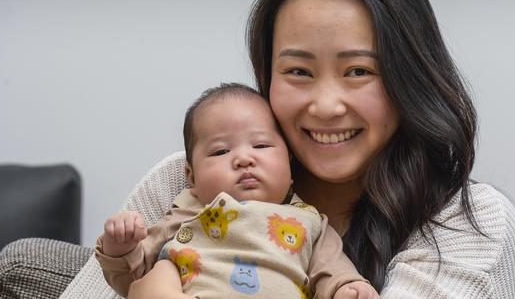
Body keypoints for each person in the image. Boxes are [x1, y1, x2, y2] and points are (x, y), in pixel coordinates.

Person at [129, 0, 515, 299]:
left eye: (358, 72)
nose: (326, 106)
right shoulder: (185, 180)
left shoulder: (469, 221)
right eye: (299, 72)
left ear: (410, 77)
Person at [96, 83, 379, 299]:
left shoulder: (311, 222)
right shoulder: (188, 210)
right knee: (159, 275)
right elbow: (131, 276)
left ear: (290, 164)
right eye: (221, 151)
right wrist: (121, 246)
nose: (244, 159)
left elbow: (333, 269)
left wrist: (348, 287)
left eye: (261, 146)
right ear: (191, 178)